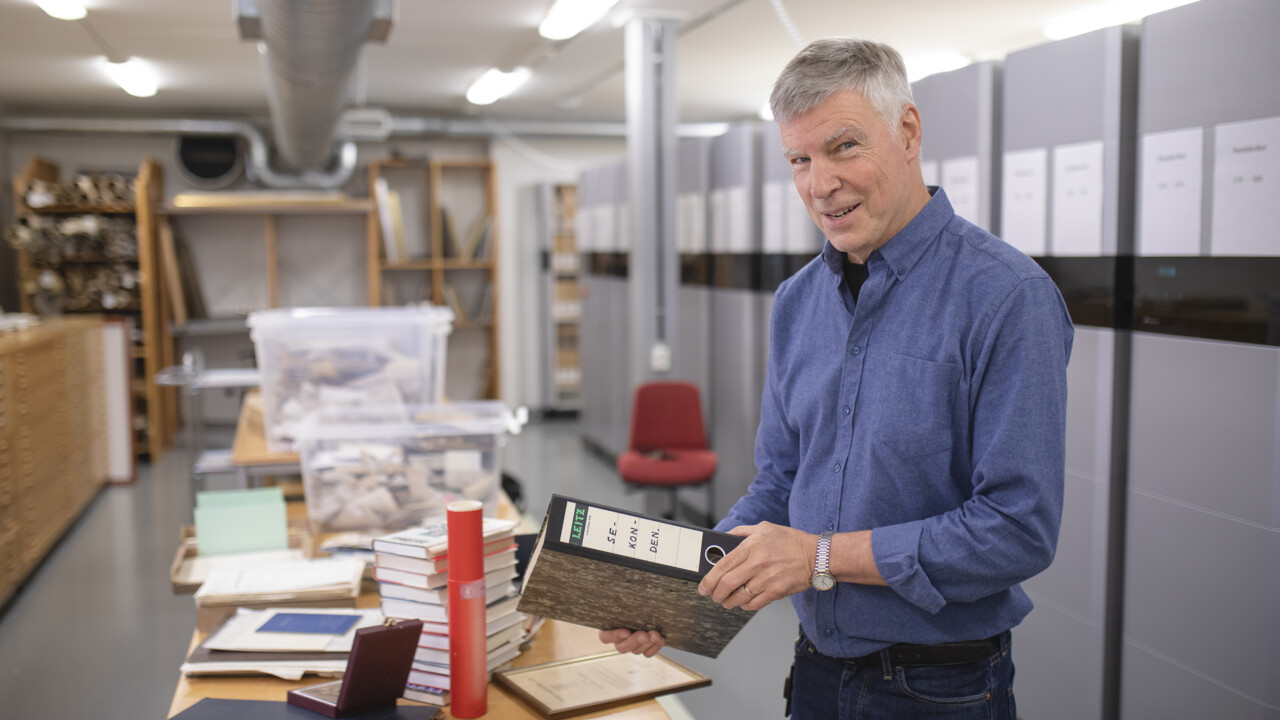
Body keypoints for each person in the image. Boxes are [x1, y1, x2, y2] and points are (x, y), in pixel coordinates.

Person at [600, 37, 1074, 718]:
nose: (820, 185)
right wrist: (674, 593)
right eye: (800, 159)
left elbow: (1017, 529)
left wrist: (819, 557)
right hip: (817, 673)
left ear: (907, 131)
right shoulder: (799, 302)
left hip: (940, 689)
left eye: (844, 146)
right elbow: (780, 484)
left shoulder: (1005, 296)